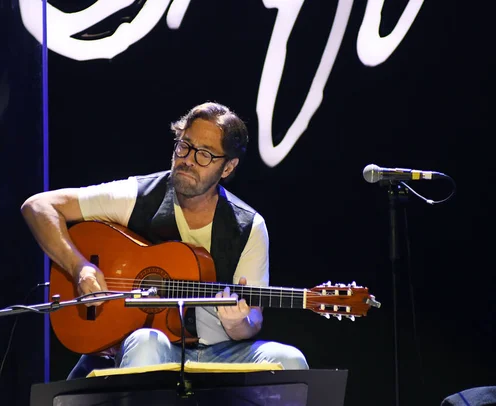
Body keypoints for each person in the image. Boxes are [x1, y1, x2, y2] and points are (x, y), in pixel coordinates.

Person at [21, 101, 309, 379]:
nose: (187, 160)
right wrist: (79, 267)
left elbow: (251, 322)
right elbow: (40, 206)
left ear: (228, 168)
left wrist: (238, 323)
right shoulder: (138, 197)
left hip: (222, 354)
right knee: (147, 341)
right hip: (152, 350)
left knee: (291, 361)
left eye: (205, 154)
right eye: (184, 146)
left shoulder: (248, 226)